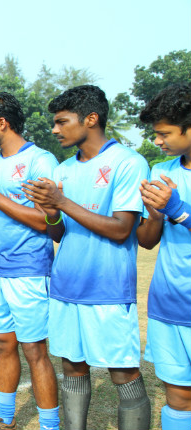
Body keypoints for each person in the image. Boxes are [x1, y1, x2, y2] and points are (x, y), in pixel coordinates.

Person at [24, 85, 151, 430]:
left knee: (122, 371)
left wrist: (61, 203)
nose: (54, 129)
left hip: (108, 289)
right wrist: (50, 211)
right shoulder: (64, 170)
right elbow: (59, 233)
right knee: (73, 367)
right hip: (66, 287)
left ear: (90, 119)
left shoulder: (128, 162)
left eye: (62, 121)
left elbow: (122, 228)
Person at [0, 92, 59, 429]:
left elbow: (45, 221)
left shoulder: (40, 161)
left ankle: (50, 424)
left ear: (2, 123)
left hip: (29, 270)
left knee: (34, 350)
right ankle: (3, 419)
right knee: (3, 344)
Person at [137, 83, 191, 430]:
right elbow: (147, 241)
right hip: (170, 301)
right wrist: (155, 215)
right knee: (179, 397)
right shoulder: (161, 172)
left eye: (164, 133)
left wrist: (178, 209)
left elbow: (179, 213)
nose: (158, 141)